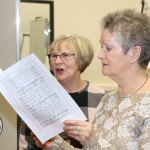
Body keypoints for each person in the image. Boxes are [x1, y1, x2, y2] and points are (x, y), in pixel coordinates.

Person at [32, 9, 150, 150]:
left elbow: (94, 145)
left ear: (134, 53)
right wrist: (55, 144)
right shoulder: (108, 99)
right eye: (101, 47)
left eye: (108, 48)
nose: (100, 55)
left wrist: (92, 140)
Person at [19, 34, 105, 149]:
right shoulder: (38, 98)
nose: (57, 61)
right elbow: (25, 145)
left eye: (65, 55)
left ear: (82, 59)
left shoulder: (101, 97)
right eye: (54, 55)